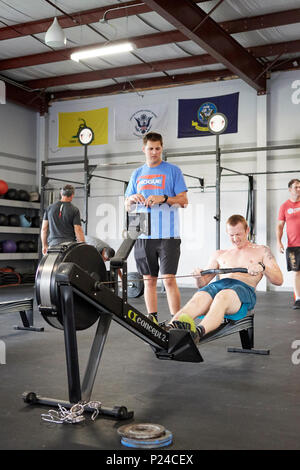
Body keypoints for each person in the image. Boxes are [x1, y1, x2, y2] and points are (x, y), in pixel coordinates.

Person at [167, 214, 283, 343]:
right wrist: (198, 276)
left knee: (223, 296)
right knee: (198, 299)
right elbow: (203, 283)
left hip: (243, 289)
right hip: (219, 286)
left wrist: (263, 267)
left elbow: (279, 280)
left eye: (238, 234)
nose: (235, 239)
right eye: (231, 235)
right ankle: (168, 331)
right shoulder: (220, 254)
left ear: (247, 230)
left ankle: (196, 334)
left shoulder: (262, 251)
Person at [125, 132, 188, 321]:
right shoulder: (136, 173)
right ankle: (152, 320)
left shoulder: (173, 170)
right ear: (144, 149)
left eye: (158, 148)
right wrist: (131, 199)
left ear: (162, 148)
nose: (154, 152)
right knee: (148, 280)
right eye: (150, 148)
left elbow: (184, 201)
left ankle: (176, 321)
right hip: (142, 231)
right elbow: (127, 206)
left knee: (168, 279)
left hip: (168, 233)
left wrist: (165, 198)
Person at [41, 184, 85, 255]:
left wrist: (44, 245)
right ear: (72, 195)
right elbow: (78, 230)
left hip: (53, 246)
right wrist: (83, 247)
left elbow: (44, 229)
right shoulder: (74, 210)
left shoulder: (49, 208)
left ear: (61, 193)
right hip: (68, 246)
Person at [277, 178, 300, 309]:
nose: (298, 189)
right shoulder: (284, 206)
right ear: (290, 189)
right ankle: (298, 299)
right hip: (293, 245)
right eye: (296, 187)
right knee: (296, 272)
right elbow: (280, 225)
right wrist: (279, 241)